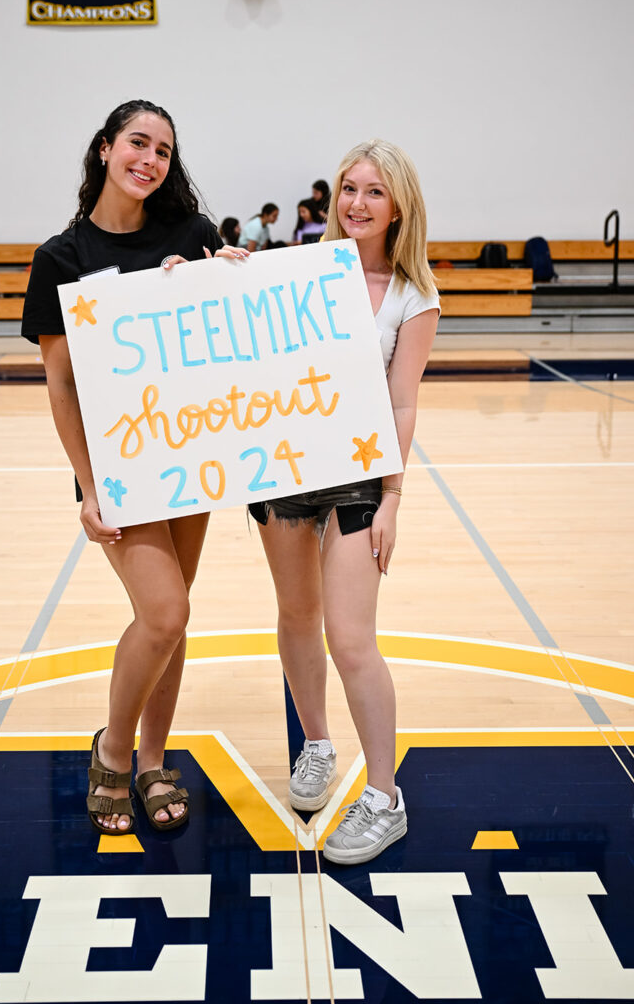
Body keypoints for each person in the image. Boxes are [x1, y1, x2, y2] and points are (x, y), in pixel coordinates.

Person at [20, 99, 246, 837]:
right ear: (106, 148)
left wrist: (229, 281)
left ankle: (154, 760)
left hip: (193, 453)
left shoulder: (194, 235)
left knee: (171, 619)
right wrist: (88, 487)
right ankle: (113, 753)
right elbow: (60, 385)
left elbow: (233, 339)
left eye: (162, 151)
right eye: (137, 144)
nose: (149, 160)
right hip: (122, 467)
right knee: (166, 611)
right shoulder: (62, 257)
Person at [248, 139, 439, 864]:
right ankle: (318, 747)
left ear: (399, 208)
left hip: (360, 480)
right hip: (284, 471)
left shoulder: (411, 295)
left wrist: (392, 499)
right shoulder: (294, 272)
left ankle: (385, 798)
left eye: (374, 193)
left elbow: (401, 400)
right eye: (348, 189)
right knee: (296, 614)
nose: (357, 204)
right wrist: (199, 278)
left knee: (352, 638)